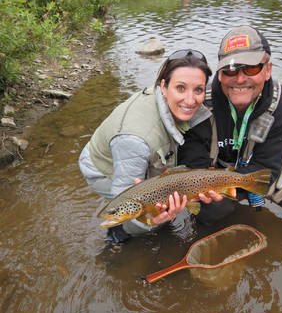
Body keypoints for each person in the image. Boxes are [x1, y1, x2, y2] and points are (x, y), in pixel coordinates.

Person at [79, 49, 224, 243]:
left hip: (136, 150)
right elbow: (127, 200)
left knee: (163, 201)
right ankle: (117, 237)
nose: (191, 100)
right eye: (180, 88)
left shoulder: (174, 98)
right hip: (103, 167)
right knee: (151, 213)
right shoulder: (134, 141)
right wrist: (150, 221)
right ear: (163, 87)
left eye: (198, 90)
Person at [178, 25, 282, 225]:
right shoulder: (199, 104)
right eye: (230, 70)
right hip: (212, 174)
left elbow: (269, 166)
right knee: (212, 211)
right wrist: (221, 190)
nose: (240, 79)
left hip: (260, 167)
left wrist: (247, 185)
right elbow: (194, 163)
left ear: (268, 70)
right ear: (220, 74)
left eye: (251, 68)